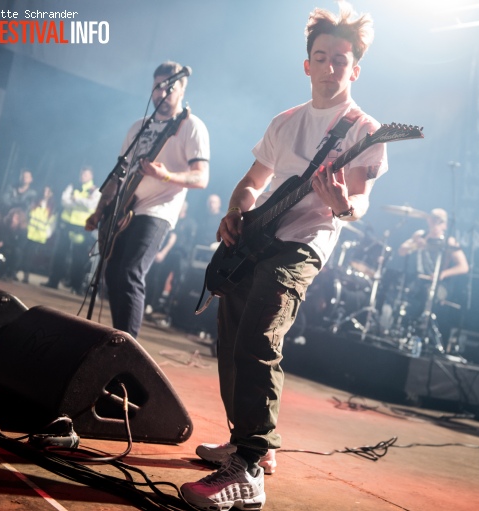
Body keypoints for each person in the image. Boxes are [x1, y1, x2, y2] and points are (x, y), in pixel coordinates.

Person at [180, 4, 387, 510]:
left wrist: (345, 206)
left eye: (341, 59)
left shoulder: (363, 128)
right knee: (231, 340)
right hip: (256, 240)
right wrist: (235, 210)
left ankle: (248, 470)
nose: (331, 66)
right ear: (307, 65)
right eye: (322, 57)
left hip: (305, 243)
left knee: (258, 335)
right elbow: (252, 182)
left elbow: (359, 200)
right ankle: (250, 441)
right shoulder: (286, 121)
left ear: (355, 68)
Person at [85, 61, 210, 340]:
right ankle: (118, 338)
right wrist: (99, 211)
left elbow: (201, 178)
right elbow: (119, 175)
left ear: (182, 89)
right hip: (124, 208)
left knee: (130, 272)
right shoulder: (138, 127)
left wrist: (166, 176)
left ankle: (126, 350)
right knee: (113, 274)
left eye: (169, 86)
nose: (161, 92)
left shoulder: (191, 126)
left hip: (158, 210)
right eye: (157, 87)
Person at [396, 207, 470, 349]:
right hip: (418, 279)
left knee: (426, 295)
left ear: (445, 224)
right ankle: (403, 332)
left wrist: (441, 274)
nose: (435, 223)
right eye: (433, 219)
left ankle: (422, 336)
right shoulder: (420, 235)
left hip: (438, 284)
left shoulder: (449, 242)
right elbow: (401, 251)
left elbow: (463, 266)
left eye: (439, 221)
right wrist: (414, 244)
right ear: (428, 220)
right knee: (406, 295)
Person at [42, 166, 100, 293]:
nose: (82, 176)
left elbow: (91, 205)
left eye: (85, 174)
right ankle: (53, 281)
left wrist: (76, 199)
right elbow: (64, 201)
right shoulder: (72, 186)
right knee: (59, 254)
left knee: (78, 258)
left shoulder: (95, 190)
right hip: (67, 225)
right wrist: (82, 201)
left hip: (82, 227)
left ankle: (76, 286)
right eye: (81, 173)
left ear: (91, 176)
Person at [0, 169, 39, 275]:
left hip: (21, 222)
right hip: (6, 218)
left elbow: (27, 206)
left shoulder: (32, 193)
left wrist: (16, 207)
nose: (24, 178)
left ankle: (9, 272)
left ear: (31, 179)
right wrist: (18, 205)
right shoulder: (11, 188)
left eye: (27, 177)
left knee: (17, 250)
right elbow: (5, 200)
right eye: (23, 176)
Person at [144, 200, 198, 316]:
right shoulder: (174, 219)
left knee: (176, 283)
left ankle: (168, 311)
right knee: (160, 279)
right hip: (169, 255)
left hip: (181, 256)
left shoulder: (190, 223)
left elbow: (179, 240)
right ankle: (153, 306)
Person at [21, 186, 58, 283]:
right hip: (28, 231)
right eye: (44, 190)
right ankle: (14, 272)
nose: (45, 193)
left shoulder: (51, 208)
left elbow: (52, 223)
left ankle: (26, 274)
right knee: (22, 252)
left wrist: (47, 234)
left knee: (29, 255)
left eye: (48, 191)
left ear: (51, 193)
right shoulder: (34, 203)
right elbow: (27, 215)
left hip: (38, 235)